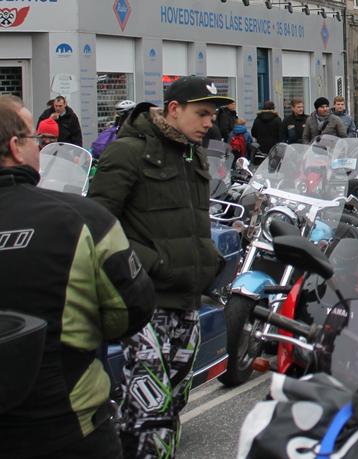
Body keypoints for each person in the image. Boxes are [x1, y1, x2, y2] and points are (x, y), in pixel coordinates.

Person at [0, 96, 155, 459]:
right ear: (15, 147)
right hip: (67, 426)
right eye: (36, 140)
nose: (41, 148)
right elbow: (131, 311)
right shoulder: (84, 219)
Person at [87, 76, 231, 458]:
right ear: (173, 109)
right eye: (201, 113)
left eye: (212, 114)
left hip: (186, 297)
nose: (209, 122)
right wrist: (151, 263)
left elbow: (196, 221)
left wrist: (209, 262)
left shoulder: (192, 153)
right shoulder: (128, 152)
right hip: (144, 301)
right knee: (152, 408)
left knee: (173, 400)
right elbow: (98, 225)